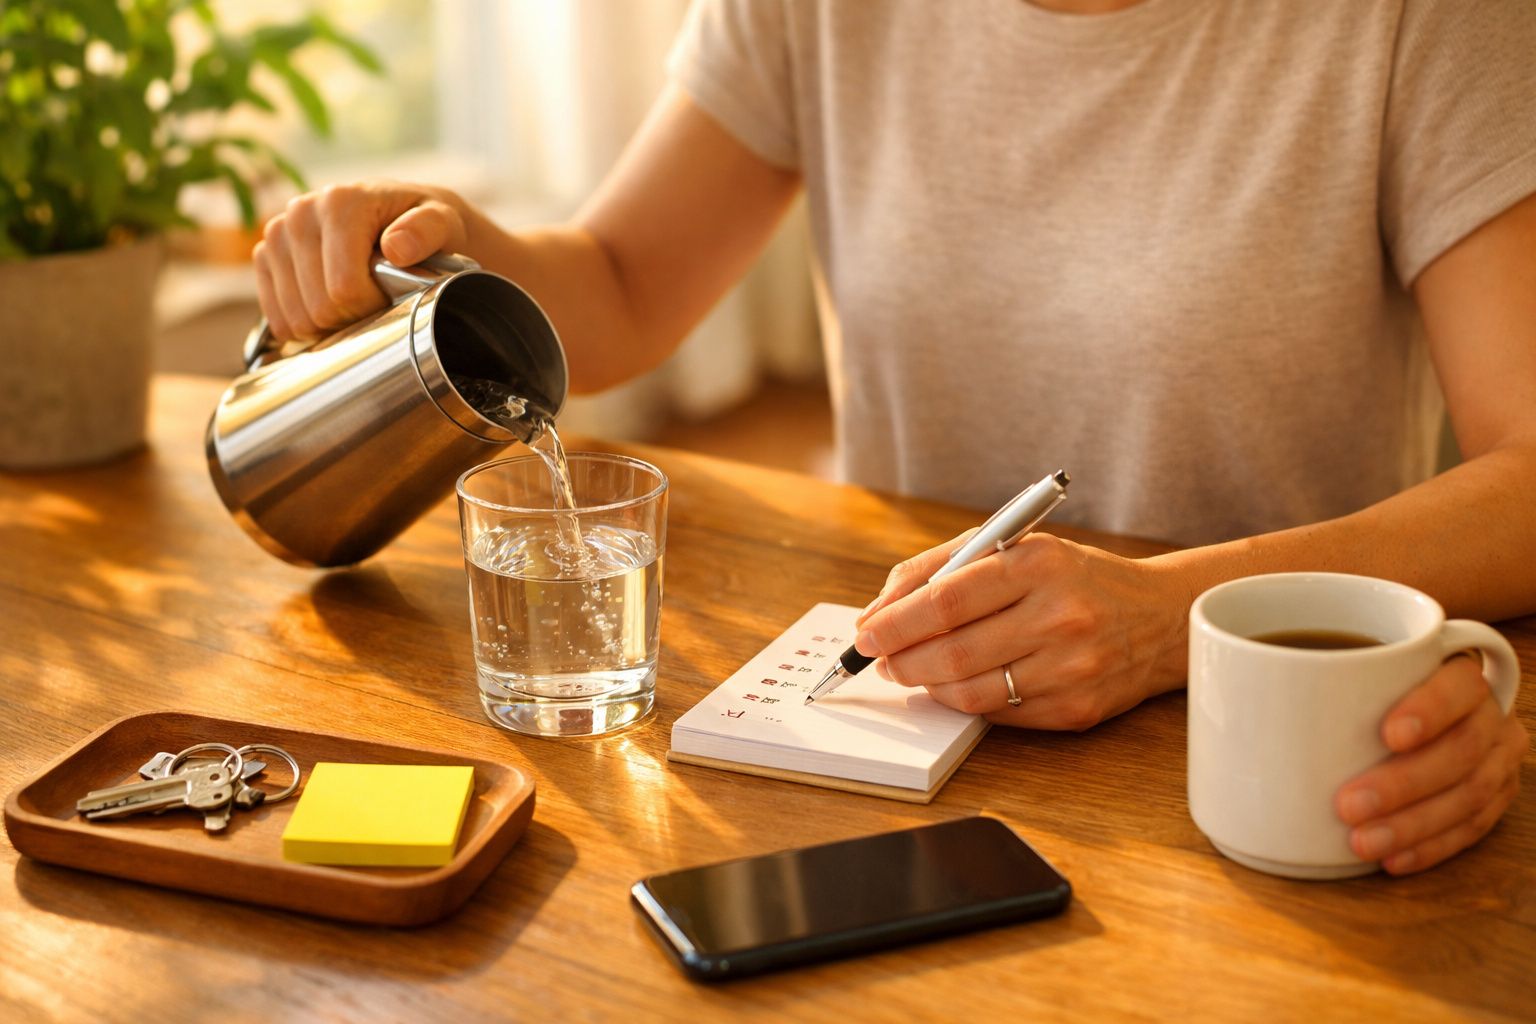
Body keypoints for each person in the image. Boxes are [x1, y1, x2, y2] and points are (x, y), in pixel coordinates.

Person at [253, 0, 1535, 875]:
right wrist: (437, 234)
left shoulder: (1427, 24)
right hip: (895, 722)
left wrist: (1160, 615)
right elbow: (626, 287)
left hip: (1253, 737)